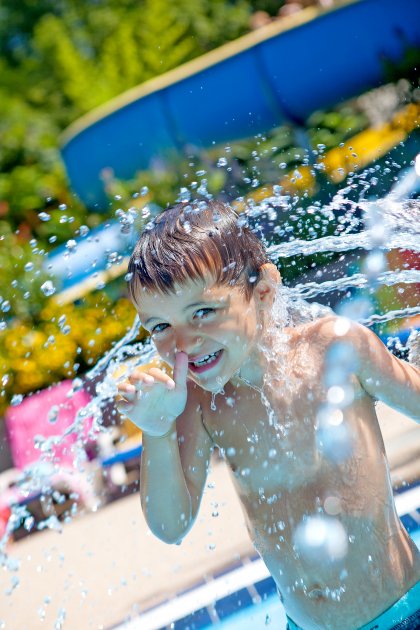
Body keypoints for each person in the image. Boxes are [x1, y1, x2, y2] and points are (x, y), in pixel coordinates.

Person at [116, 200, 420, 630]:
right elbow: (171, 525)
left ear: (262, 292)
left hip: (406, 609)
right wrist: (156, 430)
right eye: (160, 327)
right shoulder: (200, 403)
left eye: (202, 312)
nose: (182, 343)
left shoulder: (337, 348)